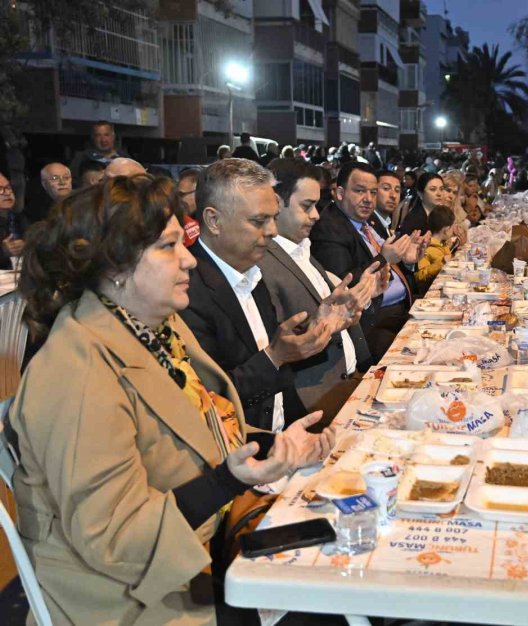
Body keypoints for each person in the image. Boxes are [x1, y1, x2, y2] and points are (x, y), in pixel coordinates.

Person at [9, 174, 327, 624]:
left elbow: (199, 429)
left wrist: (279, 446)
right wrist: (227, 481)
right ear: (116, 266)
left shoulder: (153, 325)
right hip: (138, 597)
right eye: (168, 246)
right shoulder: (76, 370)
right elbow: (115, 539)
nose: (190, 261)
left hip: (205, 546)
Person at [182, 159, 338, 433]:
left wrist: (314, 330)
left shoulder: (251, 270)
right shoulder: (188, 290)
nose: (272, 231)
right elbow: (209, 399)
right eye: (259, 221)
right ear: (213, 220)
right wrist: (275, 357)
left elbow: (273, 354)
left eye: (273, 218)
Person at [260, 160, 378, 425]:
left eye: (316, 205)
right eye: (306, 206)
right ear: (277, 203)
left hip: (349, 379)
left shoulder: (301, 247)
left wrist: (348, 314)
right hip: (315, 398)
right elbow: (277, 340)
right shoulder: (264, 261)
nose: (316, 215)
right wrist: (320, 326)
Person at [310, 162, 425, 360]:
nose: (368, 200)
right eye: (359, 191)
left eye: (373, 192)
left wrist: (407, 262)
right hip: (371, 323)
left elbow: (394, 270)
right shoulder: (329, 228)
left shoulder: (369, 222)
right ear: (339, 193)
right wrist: (383, 259)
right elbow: (342, 283)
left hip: (402, 308)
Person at [415, 205, 456, 284]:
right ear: (446, 230)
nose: (454, 229)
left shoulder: (443, 244)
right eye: (453, 226)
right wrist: (442, 263)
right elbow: (420, 276)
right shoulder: (426, 247)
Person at [397, 172, 444, 236]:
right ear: (420, 193)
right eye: (433, 189)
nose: (439, 194)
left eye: (441, 189)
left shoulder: (439, 215)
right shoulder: (414, 221)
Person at [0, 171, 27, 269]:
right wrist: (3, 252)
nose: (7, 193)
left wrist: (27, 246)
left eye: (8, 187)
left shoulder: (22, 218)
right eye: (0, 189)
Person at [370, 169, 402, 239]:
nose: (393, 195)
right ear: (373, 191)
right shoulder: (366, 226)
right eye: (386, 188)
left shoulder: (385, 222)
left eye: (397, 190)